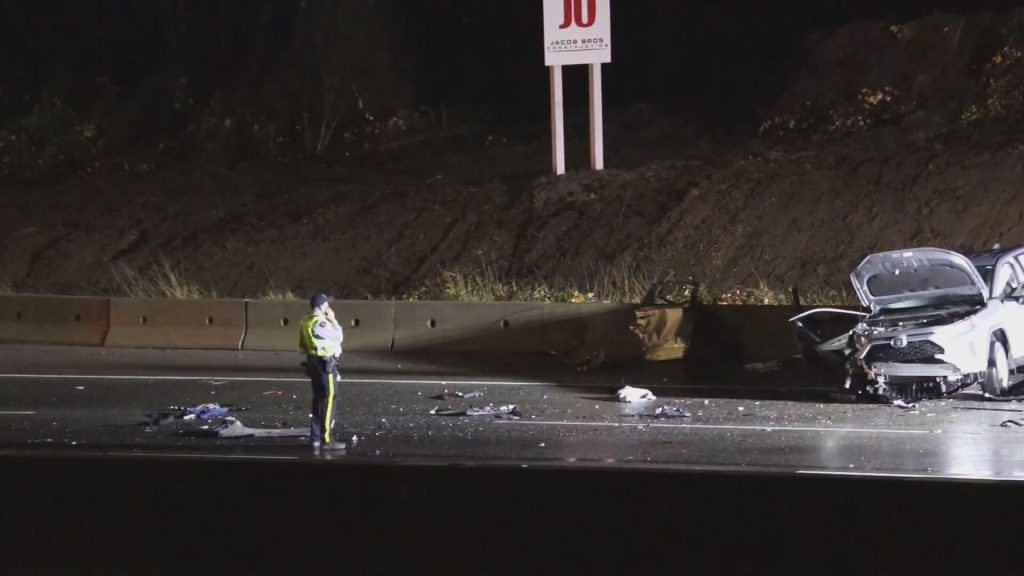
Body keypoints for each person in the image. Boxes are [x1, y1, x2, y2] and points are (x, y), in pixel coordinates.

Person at [299, 293, 345, 452]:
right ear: (321, 306)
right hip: (325, 364)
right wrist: (333, 320)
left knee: (318, 400)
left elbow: (303, 345)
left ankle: (316, 438)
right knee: (329, 399)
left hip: (313, 363)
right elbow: (339, 338)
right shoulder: (321, 323)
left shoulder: (306, 321)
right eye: (327, 304)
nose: (329, 307)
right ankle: (327, 439)